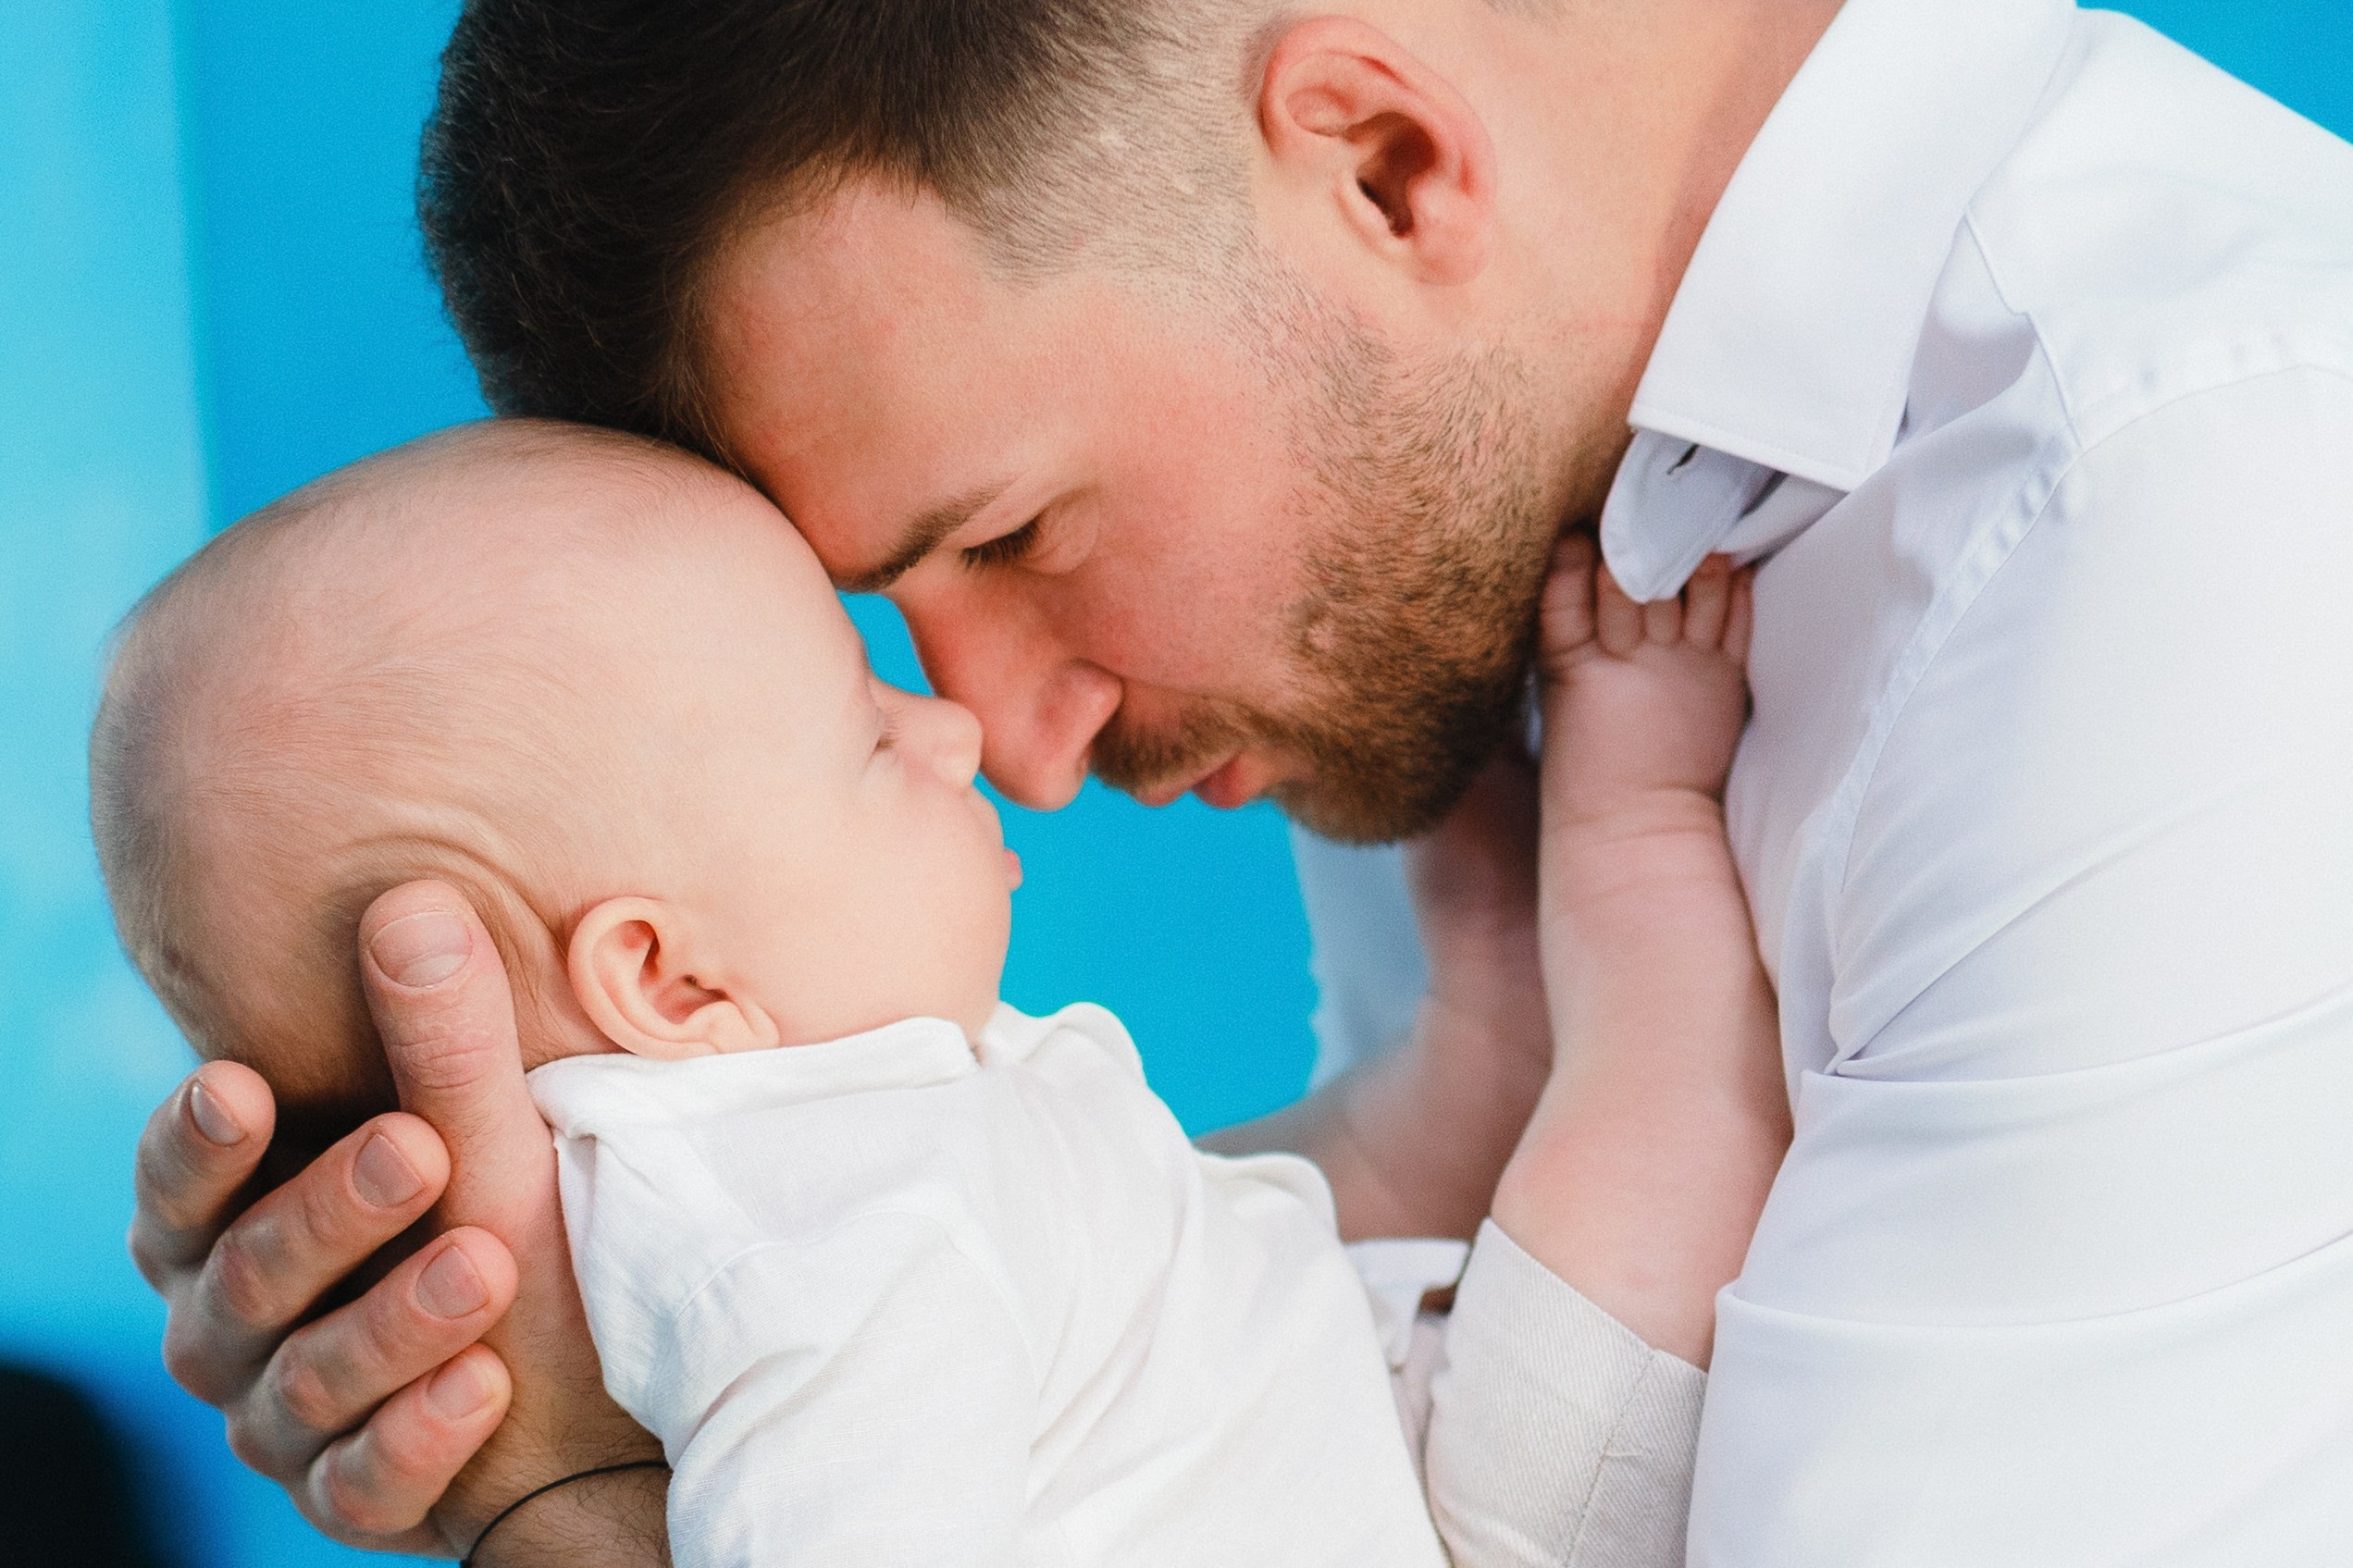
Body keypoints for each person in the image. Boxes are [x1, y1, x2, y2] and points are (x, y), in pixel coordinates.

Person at [127, 0, 2353, 1561]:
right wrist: (527, 1301)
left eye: (1004, 535)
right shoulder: (1505, 521)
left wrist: (595, 1501)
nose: (1004, 737)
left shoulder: (2196, 537)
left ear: (1383, 164)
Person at [96, 422, 1783, 1564]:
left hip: (1351, 1437)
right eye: (865, 725)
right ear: (670, 980)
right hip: (1476, 1522)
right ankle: (1639, 831)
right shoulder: (827, 1225)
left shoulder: (827, 1166)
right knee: (1653, 1117)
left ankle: (1538, 933)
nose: (957, 731)